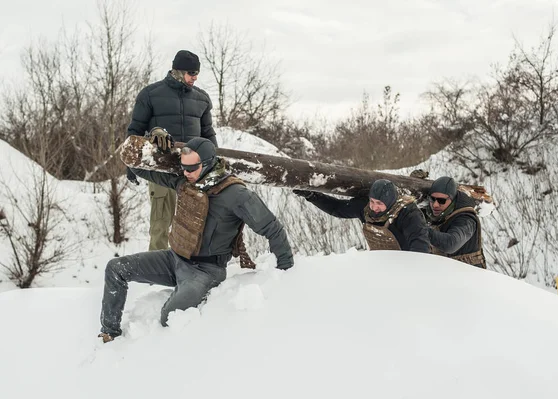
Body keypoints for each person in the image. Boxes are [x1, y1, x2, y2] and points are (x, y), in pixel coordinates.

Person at [99, 135, 294, 343]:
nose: (186, 172)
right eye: (183, 167)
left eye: (192, 168)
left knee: (169, 318)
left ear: (209, 164)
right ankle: (109, 335)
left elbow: (272, 228)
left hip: (205, 271)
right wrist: (147, 142)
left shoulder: (236, 194)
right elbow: (140, 168)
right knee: (116, 268)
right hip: (174, 259)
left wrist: (286, 273)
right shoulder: (183, 180)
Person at [126, 49, 218, 251]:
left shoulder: (202, 99)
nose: (195, 78)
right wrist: (130, 165)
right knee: (161, 224)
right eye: (191, 73)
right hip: (162, 168)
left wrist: (214, 162)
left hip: (195, 169)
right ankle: (156, 274)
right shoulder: (150, 94)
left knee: (196, 224)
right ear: (178, 71)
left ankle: (193, 268)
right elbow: (135, 131)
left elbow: (208, 134)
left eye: (197, 74)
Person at [293, 179, 430, 253]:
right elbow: (337, 209)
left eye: (379, 203)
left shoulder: (409, 214)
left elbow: (420, 250)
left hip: (405, 264)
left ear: (390, 203)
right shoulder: (366, 208)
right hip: (380, 264)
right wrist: (312, 195)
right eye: (372, 201)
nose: (374, 207)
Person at [424, 176, 486, 268]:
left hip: (469, 277)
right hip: (443, 275)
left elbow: (451, 243)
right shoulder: (433, 214)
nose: (435, 205)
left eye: (442, 201)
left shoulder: (466, 219)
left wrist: (421, 230)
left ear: (453, 199)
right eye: (432, 199)